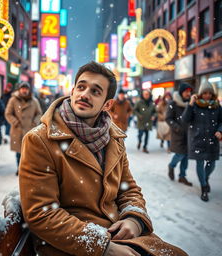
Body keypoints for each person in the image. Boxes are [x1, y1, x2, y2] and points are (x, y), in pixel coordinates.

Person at [19, 61, 188, 256]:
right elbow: (42, 214)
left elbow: (128, 189)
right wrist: (102, 247)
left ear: (107, 104)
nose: (84, 94)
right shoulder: (40, 140)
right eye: (81, 87)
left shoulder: (113, 138)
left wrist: (134, 220)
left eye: (95, 91)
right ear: (72, 91)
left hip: (117, 233)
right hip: (71, 245)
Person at [182, 80, 222, 201]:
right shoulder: (194, 105)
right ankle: (204, 187)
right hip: (198, 139)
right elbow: (185, 119)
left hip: (212, 140)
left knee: (212, 164)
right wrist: (190, 104)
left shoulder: (217, 106)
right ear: (200, 93)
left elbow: (221, 121)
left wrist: (220, 130)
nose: (207, 95)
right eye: (204, 93)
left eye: (209, 93)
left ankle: (205, 178)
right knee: (200, 164)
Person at [5, 81, 42, 176]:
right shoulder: (13, 100)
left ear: (28, 90)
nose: (24, 90)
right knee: (19, 152)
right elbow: (8, 113)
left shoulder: (34, 101)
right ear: (19, 89)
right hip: (18, 129)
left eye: (26, 88)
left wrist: (34, 123)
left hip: (30, 130)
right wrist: (15, 122)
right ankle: (20, 168)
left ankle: (27, 168)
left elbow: (39, 113)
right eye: (22, 88)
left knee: (29, 151)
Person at [165, 83, 193, 186]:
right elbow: (168, 118)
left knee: (186, 156)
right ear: (181, 92)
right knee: (180, 154)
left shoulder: (191, 103)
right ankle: (171, 166)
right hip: (178, 134)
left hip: (189, 134)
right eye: (186, 91)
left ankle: (182, 176)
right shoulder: (173, 103)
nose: (188, 93)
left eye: (189, 91)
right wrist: (177, 127)